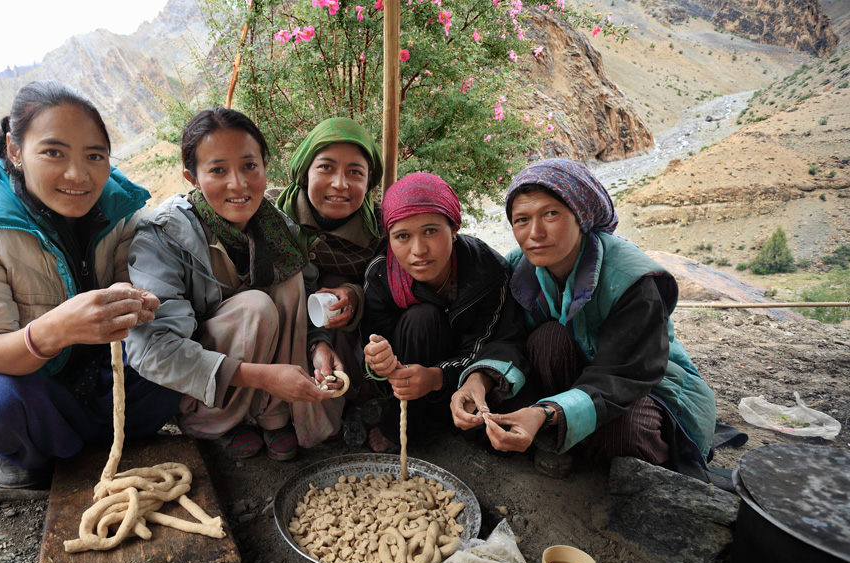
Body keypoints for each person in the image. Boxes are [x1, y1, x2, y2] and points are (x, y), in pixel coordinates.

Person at [0, 80, 182, 490]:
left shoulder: (122, 205)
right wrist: (56, 330)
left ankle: (80, 440)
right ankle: (31, 452)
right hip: (20, 381)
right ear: (15, 151)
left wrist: (142, 302)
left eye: (95, 155)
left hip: (97, 373)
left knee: (179, 345)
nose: (78, 174)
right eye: (54, 152)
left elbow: (145, 292)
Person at [450, 158, 716, 478]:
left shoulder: (631, 278)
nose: (535, 232)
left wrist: (546, 412)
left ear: (581, 215)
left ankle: (567, 435)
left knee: (629, 434)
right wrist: (477, 380)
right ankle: (565, 438)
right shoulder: (519, 269)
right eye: (521, 219)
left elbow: (625, 372)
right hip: (576, 380)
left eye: (551, 214)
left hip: (642, 382)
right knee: (547, 341)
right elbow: (509, 337)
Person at [125, 107, 342, 462]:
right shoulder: (163, 236)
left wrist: (319, 345)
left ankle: (273, 414)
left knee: (288, 284)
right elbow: (153, 350)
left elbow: (306, 295)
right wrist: (261, 377)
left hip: (268, 378)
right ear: (192, 177)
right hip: (203, 392)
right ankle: (216, 422)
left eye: (249, 166)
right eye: (217, 170)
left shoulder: (276, 228)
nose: (238, 184)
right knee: (255, 306)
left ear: (264, 167)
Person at [361, 172, 525, 452]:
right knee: (422, 318)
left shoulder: (488, 271)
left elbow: (484, 347)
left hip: (465, 377)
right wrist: (379, 362)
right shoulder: (380, 275)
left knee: (502, 443)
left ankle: (442, 420)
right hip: (407, 378)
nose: (418, 250)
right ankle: (403, 425)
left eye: (431, 231)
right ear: (390, 239)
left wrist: (437, 377)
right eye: (402, 236)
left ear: (453, 228)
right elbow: (372, 339)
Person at [272, 117, 385, 442]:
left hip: (347, 330)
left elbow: (391, 284)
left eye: (355, 172)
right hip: (290, 324)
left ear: (368, 182)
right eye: (326, 168)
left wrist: (355, 296)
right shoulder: (272, 219)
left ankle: (353, 401)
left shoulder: (380, 228)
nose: (340, 184)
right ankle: (277, 414)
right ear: (305, 171)